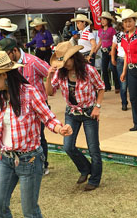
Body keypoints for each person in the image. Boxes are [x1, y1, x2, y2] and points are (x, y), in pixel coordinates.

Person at [0, 51, 72, 217]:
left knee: (30, 211)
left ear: (5, 75)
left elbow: (48, 117)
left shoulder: (29, 92)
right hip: (6, 159)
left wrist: (60, 129)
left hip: (29, 159)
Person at [46, 41, 105, 191]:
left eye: (67, 61)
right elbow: (50, 92)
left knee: (93, 148)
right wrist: (49, 76)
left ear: (74, 57)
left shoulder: (88, 70)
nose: (65, 64)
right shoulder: (60, 73)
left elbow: (101, 87)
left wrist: (97, 107)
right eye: (62, 62)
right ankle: (85, 169)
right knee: (68, 146)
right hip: (71, 113)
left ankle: (95, 179)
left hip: (89, 112)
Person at [0, 38, 52, 174]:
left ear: (14, 50)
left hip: (37, 104)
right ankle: (21, 163)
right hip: (17, 104)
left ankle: (42, 164)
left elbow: (50, 72)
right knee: (23, 134)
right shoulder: (7, 65)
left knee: (38, 135)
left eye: (6, 55)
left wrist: (48, 88)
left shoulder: (32, 62)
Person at [95, 12, 119, 92]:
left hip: (111, 50)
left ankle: (117, 86)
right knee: (104, 69)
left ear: (108, 21)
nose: (102, 21)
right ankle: (107, 86)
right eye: (101, 19)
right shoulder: (100, 30)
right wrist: (95, 50)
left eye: (104, 19)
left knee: (113, 68)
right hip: (104, 51)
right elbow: (100, 42)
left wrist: (112, 50)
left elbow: (115, 41)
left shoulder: (112, 30)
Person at [111, 16, 128, 111]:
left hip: (131, 60)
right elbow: (113, 48)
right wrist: (113, 58)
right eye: (125, 22)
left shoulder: (133, 34)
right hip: (121, 59)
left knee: (132, 83)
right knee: (123, 84)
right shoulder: (117, 36)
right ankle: (124, 102)